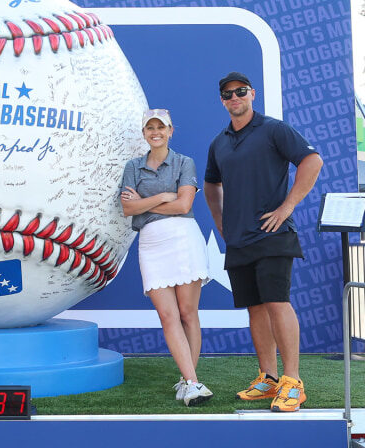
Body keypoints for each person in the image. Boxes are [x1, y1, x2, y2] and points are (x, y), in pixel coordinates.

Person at [203, 72, 323, 412]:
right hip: (239, 240)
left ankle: (293, 383)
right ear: (222, 100)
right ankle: (269, 378)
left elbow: (312, 161)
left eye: (240, 92)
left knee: (276, 303)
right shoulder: (219, 143)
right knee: (255, 309)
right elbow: (212, 185)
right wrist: (219, 220)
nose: (235, 97)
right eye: (228, 94)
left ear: (252, 94)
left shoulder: (274, 129)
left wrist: (287, 207)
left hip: (273, 236)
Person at [120, 109, 212, 407]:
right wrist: (162, 198)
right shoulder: (133, 166)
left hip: (184, 239)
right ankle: (191, 381)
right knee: (167, 315)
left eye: (161, 126)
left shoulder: (185, 162)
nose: (155, 132)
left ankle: (190, 380)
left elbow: (185, 205)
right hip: (151, 242)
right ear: (144, 133)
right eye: (150, 127)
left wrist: (144, 204)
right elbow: (127, 210)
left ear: (171, 130)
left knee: (187, 313)